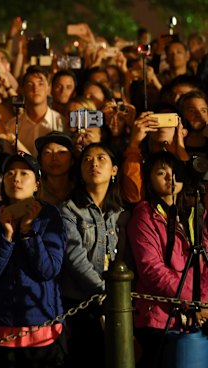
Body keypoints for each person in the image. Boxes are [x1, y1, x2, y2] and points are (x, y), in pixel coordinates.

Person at [0, 152, 67, 367]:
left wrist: (28, 232)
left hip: (42, 329)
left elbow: (48, 270)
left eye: (23, 173)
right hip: (0, 327)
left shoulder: (49, 216)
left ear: (37, 184)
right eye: (9, 173)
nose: (15, 178)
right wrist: (7, 236)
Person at [128, 151, 208, 368]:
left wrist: (203, 302)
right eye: (161, 172)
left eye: (175, 172)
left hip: (199, 313)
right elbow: (152, 270)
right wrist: (194, 301)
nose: (169, 178)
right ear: (149, 179)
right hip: (159, 317)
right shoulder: (145, 216)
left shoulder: (195, 213)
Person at [60, 143, 127, 368]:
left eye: (101, 158)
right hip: (81, 304)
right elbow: (74, 258)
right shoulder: (69, 209)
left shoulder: (121, 212)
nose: (94, 164)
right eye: (87, 159)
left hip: (116, 302)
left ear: (114, 170)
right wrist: (105, 292)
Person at [16, 66, 65, 156]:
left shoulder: (61, 122)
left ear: (49, 88)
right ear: (22, 90)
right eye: (30, 84)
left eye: (40, 84)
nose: (35, 89)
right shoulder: (13, 125)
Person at [35, 132, 74, 206]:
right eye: (48, 153)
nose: (54, 158)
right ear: (40, 160)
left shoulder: (81, 192)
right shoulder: (34, 192)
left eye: (61, 152)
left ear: (72, 159)